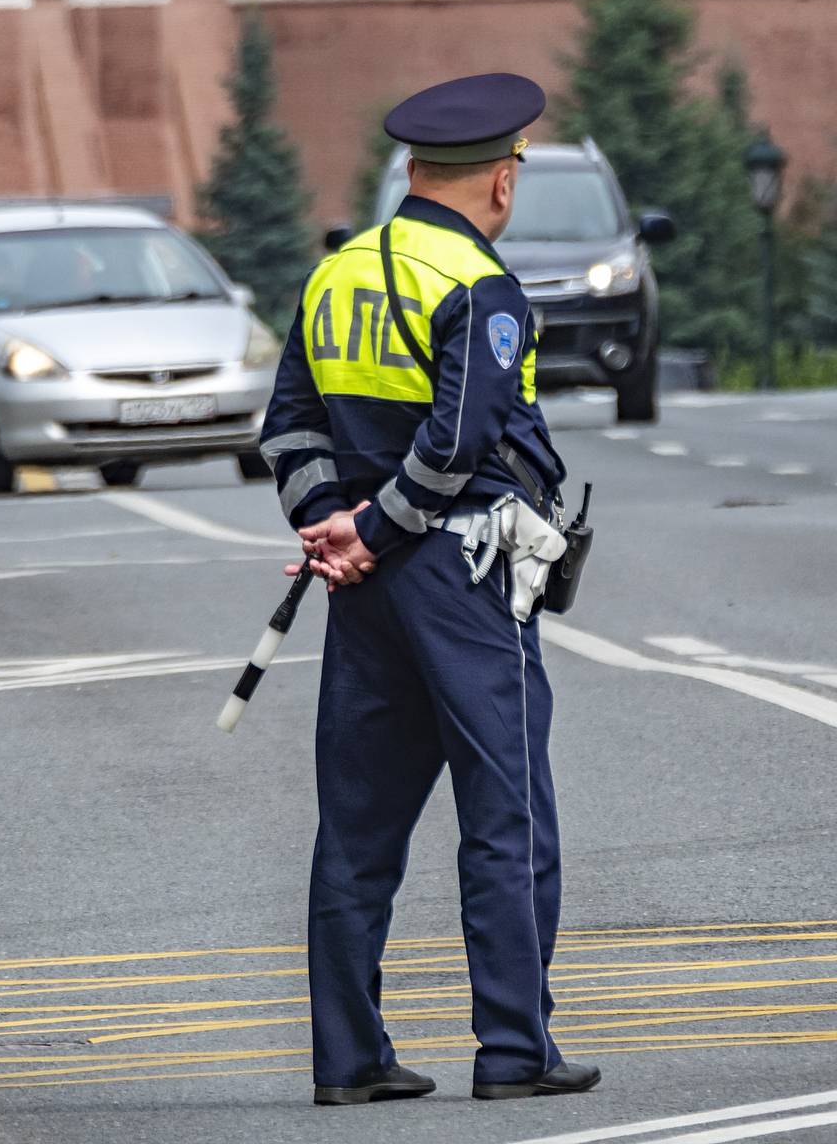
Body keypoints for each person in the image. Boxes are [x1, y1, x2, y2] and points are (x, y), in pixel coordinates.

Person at [260, 73, 600, 1106]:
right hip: (462, 571)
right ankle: (511, 1047)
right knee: (506, 811)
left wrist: (334, 525)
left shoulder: (335, 275)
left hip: (361, 588)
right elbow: (457, 442)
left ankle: (349, 1058)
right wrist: (373, 527)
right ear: (500, 180)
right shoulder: (475, 284)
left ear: (410, 172)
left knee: (357, 825)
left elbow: (285, 424)